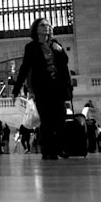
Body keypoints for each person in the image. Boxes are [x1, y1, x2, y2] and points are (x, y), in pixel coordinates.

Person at [12, 16, 72, 160]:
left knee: (60, 118)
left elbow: (64, 63)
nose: (47, 27)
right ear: (36, 29)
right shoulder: (31, 47)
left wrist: (61, 50)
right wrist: (16, 89)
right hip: (42, 88)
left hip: (58, 87)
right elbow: (25, 68)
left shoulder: (56, 44)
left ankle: (61, 148)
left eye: (49, 25)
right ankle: (48, 150)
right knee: (46, 120)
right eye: (43, 25)